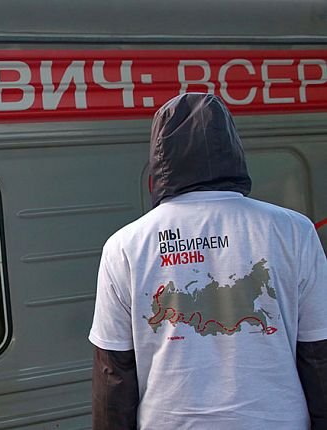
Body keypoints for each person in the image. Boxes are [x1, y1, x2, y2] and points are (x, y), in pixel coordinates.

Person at [88, 93, 327, 429]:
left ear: (160, 156)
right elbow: (318, 354)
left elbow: (113, 373)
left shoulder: (125, 246)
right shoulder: (294, 231)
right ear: (232, 148)